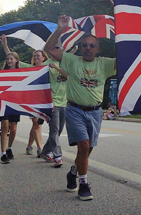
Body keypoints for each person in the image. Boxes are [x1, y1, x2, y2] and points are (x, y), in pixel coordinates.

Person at [44, 15, 116, 201]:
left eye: (92, 46)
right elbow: (49, 48)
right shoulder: (71, 61)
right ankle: (83, 183)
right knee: (83, 146)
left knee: (88, 149)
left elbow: (130, 57)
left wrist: (126, 32)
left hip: (95, 112)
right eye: (85, 45)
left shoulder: (105, 64)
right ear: (81, 47)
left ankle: (74, 171)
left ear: (98, 49)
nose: (88, 48)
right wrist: (60, 29)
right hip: (75, 110)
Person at [0, 35, 47, 157]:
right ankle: (4, 152)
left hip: (27, 101)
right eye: (34, 55)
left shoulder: (43, 68)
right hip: (11, 101)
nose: (36, 57)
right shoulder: (20, 69)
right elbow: (11, 57)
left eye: (38, 55)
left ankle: (20, 146)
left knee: (20, 127)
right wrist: (5, 45)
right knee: (6, 127)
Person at [39, 58, 69, 168]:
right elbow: (28, 67)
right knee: (55, 129)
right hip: (52, 103)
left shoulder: (65, 62)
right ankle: (58, 156)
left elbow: (69, 77)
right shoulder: (46, 64)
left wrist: (57, 67)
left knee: (58, 130)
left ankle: (46, 151)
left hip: (64, 103)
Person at [0, 52, 22, 164]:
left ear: (16, 60)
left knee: (13, 128)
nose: (9, 61)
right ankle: (2, 153)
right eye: (7, 59)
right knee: (4, 127)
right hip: (4, 102)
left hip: (15, 102)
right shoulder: (3, 73)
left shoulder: (21, 72)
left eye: (11, 59)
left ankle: (9, 148)